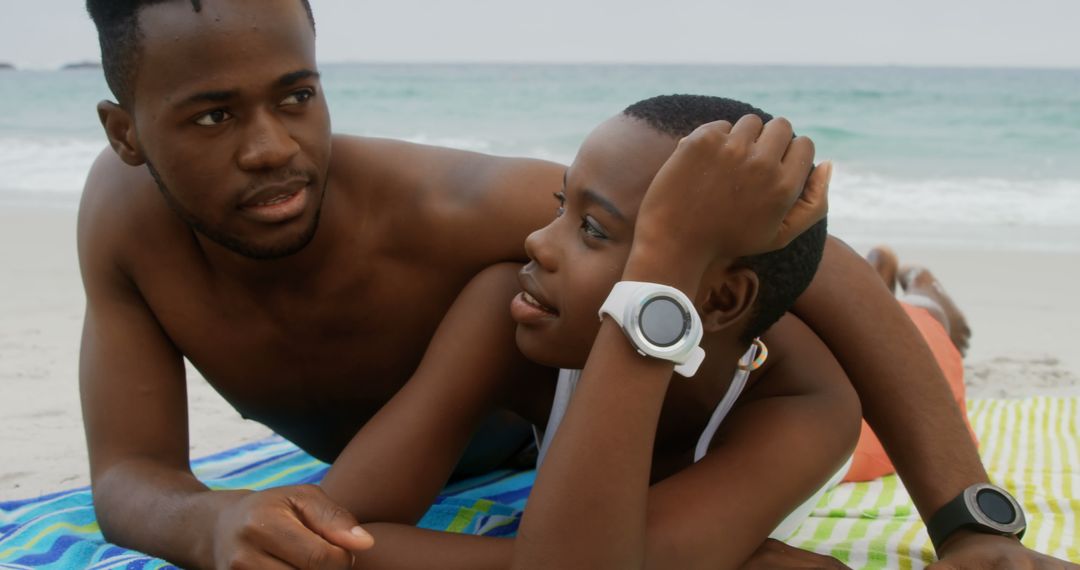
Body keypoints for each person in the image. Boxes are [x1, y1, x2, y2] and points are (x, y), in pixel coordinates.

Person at [78, 0, 1074, 568]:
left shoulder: (799, 403)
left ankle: (926, 300)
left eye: (297, 96)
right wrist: (218, 524)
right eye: (211, 117)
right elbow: (332, 532)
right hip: (682, 341)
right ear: (128, 132)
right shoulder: (520, 290)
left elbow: (812, 262)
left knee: (917, 340)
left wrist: (966, 526)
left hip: (792, 374)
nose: (267, 148)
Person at [318, 96, 860, 568]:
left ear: (717, 298)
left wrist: (660, 279)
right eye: (560, 205)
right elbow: (318, 534)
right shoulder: (507, 308)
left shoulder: (806, 403)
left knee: (924, 327)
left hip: (814, 406)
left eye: (594, 229)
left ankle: (922, 296)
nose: (537, 242)